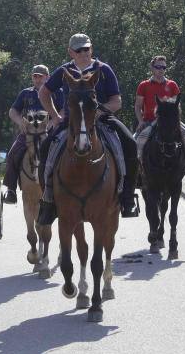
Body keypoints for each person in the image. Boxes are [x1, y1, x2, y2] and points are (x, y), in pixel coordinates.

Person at [36, 33, 139, 224]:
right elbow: (44, 92)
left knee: (130, 143)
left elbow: (117, 101)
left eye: (87, 49)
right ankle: (48, 201)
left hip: (102, 119)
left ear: (91, 49)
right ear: (71, 52)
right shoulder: (64, 71)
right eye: (79, 50)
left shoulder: (104, 70)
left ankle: (127, 197)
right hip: (72, 123)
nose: (84, 53)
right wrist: (56, 116)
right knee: (46, 148)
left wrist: (102, 112)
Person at [134, 55, 185, 186]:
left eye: (163, 67)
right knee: (136, 141)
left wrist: (175, 121)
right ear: (152, 68)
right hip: (150, 121)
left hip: (170, 122)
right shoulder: (144, 85)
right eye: (158, 67)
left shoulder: (172, 85)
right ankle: (138, 174)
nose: (161, 70)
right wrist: (140, 121)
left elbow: (178, 107)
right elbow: (138, 106)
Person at [2, 65, 63, 204]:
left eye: (40, 76)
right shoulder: (25, 93)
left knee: (67, 152)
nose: (37, 79)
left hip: (51, 133)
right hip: (28, 133)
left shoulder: (57, 92)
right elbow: (13, 111)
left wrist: (52, 123)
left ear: (47, 77)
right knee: (12, 154)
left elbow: (64, 111)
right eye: (35, 76)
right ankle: (11, 190)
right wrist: (20, 122)